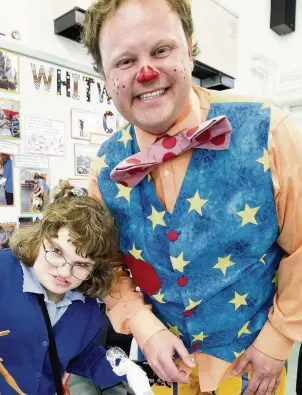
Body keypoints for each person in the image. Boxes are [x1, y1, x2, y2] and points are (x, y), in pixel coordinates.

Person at [83, 0, 302, 394]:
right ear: (103, 74)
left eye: (162, 50)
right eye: (125, 61)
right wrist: (144, 328)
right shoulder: (104, 167)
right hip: (165, 373)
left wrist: (278, 339)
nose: (147, 72)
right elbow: (106, 267)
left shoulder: (269, 130)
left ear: (190, 49)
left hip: (253, 370)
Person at [0, 182, 126, 395]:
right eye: (57, 252)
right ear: (41, 235)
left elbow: (81, 356)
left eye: (82, 264)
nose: (65, 272)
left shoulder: (86, 306)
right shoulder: (3, 272)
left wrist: (128, 371)